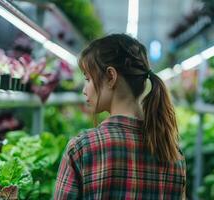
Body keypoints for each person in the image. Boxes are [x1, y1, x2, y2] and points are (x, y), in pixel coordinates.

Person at [54, 33, 186, 199]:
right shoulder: (172, 153)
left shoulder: (82, 149)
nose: (84, 89)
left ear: (111, 77)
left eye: (88, 79)